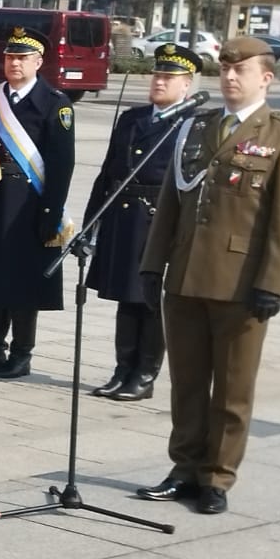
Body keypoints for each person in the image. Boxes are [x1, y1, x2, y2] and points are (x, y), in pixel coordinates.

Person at [136, 36, 280, 516]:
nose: (228, 77)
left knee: (232, 389)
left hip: (240, 283)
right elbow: (171, 202)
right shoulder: (197, 125)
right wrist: (152, 263)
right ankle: (184, 468)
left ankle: (217, 477)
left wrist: (272, 282)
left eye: (239, 70)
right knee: (186, 383)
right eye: (224, 69)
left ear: (265, 78)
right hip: (185, 275)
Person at [0, 27, 75, 381]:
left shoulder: (55, 103)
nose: (14, 63)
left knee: (22, 281)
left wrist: (51, 212)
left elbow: (61, 164)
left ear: (38, 62)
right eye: (10, 57)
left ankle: (21, 353)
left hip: (28, 204)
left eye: (22, 58)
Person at [84, 44, 196, 401]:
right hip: (125, 216)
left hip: (158, 220)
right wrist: (91, 222)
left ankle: (145, 375)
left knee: (150, 300)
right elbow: (108, 172)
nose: (159, 82)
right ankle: (122, 370)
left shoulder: (192, 124)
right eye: (157, 75)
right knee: (126, 298)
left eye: (168, 78)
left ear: (186, 85)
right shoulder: (132, 118)